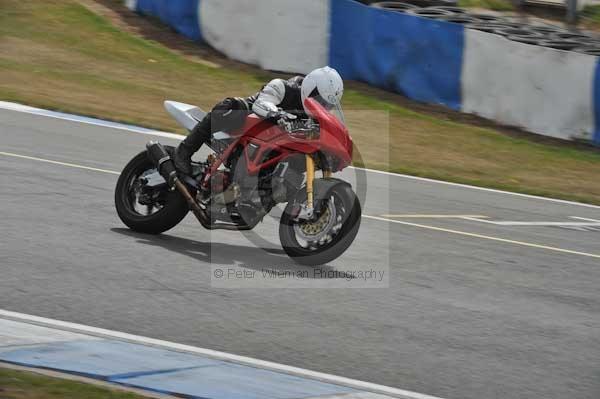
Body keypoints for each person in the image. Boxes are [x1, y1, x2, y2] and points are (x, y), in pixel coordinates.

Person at [172, 66, 344, 175]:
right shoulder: (283, 87)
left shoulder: (316, 115)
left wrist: (335, 153)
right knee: (232, 106)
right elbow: (262, 103)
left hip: (275, 148)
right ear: (310, 89)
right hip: (247, 128)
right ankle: (184, 152)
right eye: (321, 101)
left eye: (328, 105)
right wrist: (278, 114)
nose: (323, 106)